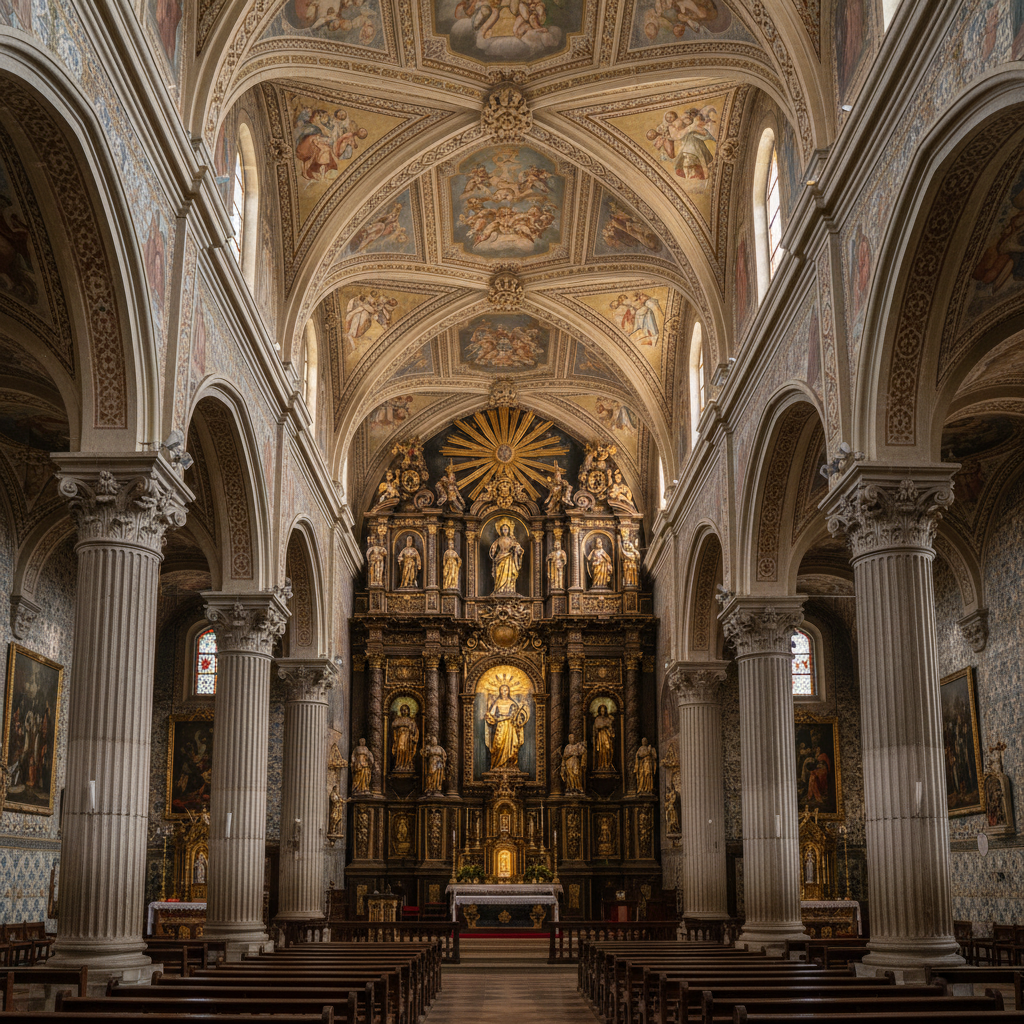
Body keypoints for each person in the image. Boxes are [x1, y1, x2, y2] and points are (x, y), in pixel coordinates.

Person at [484, 682, 530, 770]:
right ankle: (497, 766)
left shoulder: (512, 703)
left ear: (508, 691)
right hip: (500, 726)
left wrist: (519, 717)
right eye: (502, 690)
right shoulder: (497, 702)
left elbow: (518, 717)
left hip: (511, 727)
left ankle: (511, 766)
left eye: (505, 690)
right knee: (498, 745)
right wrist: (489, 716)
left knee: (513, 745)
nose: (503, 692)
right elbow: (492, 714)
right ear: (500, 691)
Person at [489, 518, 523, 594]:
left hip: (509, 558)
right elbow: (493, 549)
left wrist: (517, 550)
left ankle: (509, 589)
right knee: (499, 574)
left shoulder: (512, 540)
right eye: (503, 529)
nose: (505, 531)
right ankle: (499, 589)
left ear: (509, 530)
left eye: (506, 529)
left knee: (509, 575)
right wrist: (493, 552)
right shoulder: (498, 540)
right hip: (500, 557)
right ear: (501, 530)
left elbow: (518, 548)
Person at [391, 703, 419, 771]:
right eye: (402, 710)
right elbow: (393, 726)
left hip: (408, 739)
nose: (404, 711)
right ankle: (399, 765)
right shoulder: (398, 720)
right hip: (400, 738)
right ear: (400, 711)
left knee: (407, 751)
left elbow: (416, 731)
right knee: (400, 749)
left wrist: (414, 738)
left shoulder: (411, 721)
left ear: (408, 711)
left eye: (405, 709)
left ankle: (407, 765)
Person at [593, 704, 616, 770]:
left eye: (603, 711)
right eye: (601, 711)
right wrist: (604, 725)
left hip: (607, 735)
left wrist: (611, 730)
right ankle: (601, 765)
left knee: (608, 749)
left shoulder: (608, 719)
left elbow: (610, 727)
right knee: (601, 751)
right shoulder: (597, 719)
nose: (602, 712)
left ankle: (608, 764)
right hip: (601, 736)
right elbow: (597, 726)